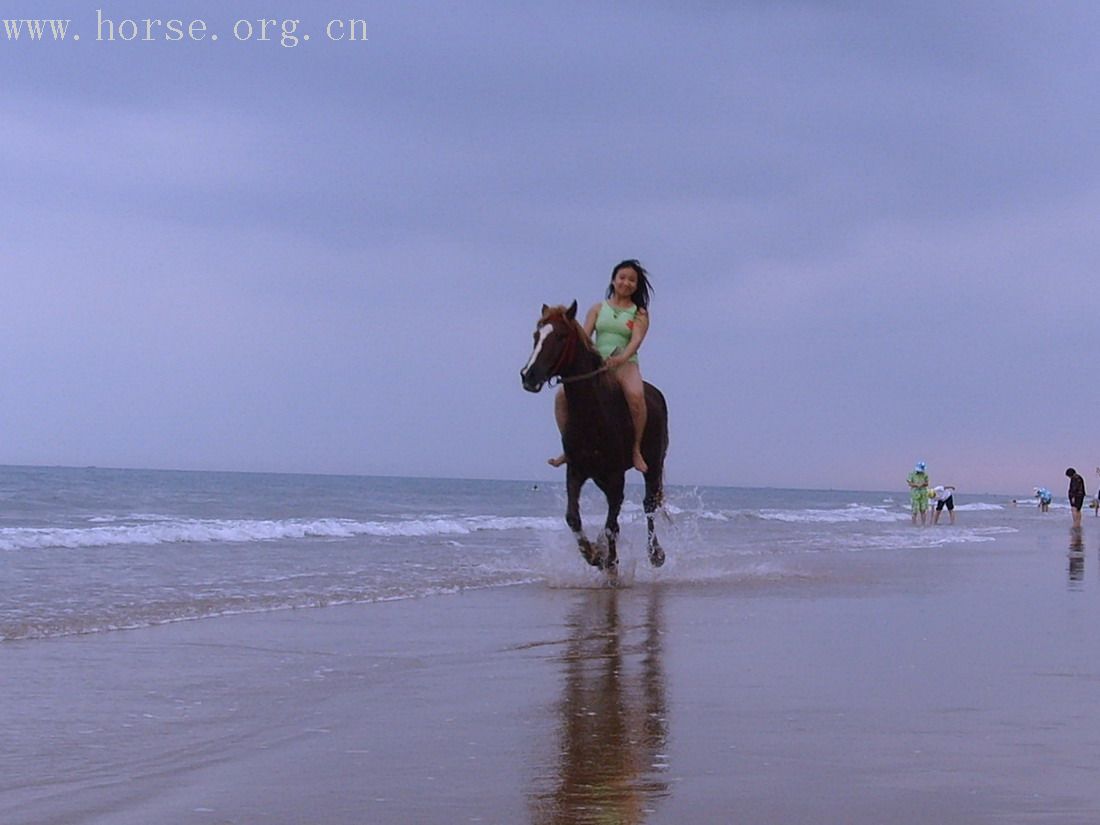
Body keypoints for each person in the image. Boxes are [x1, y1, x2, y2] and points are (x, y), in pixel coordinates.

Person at [548, 259, 654, 473]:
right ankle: (568, 447)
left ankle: (635, 449)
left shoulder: (639, 313)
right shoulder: (598, 308)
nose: (626, 283)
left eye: (632, 280)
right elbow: (585, 337)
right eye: (622, 278)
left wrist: (621, 358)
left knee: (635, 397)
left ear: (636, 285)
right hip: (597, 364)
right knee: (561, 397)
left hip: (625, 363)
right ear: (613, 280)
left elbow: (636, 341)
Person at [907, 461, 930, 525]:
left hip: (923, 494)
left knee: (923, 510)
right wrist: (916, 485)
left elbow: (927, 483)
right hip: (915, 494)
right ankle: (914, 524)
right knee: (914, 511)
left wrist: (923, 484)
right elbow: (909, 483)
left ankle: (923, 524)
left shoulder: (925, 474)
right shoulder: (911, 474)